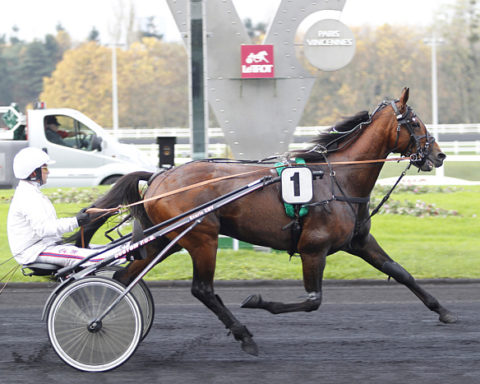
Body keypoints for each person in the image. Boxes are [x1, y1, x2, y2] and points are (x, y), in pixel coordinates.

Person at [7, 147, 119, 267]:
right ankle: (125, 254)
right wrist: (76, 221)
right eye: (45, 168)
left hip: (45, 246)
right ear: (34, 173)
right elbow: (45, 229)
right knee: (96, 258)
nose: (48, 172)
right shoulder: (28, 197)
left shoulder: (31, 192)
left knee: (104, 251)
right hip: (35, 251)